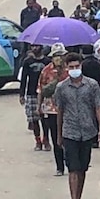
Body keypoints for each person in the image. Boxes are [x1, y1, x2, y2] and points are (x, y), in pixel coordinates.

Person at [54, 53, 100, 199]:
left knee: (83, 167)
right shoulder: (61, 88)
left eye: (77, 67)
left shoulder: (91, 85)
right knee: (72, 167)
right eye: (71, 67)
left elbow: (98, 106)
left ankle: (79, 198)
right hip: (70, 131)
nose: (74, 69)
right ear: (66, 68)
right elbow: (60, 111)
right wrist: (59, 135)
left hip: (87, 130)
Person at [38, 44, 69, 175]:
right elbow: (40, 89)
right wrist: (38, 107)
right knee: (56, 137)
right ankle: (59, 167)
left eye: (61, 55)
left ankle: (69, 161)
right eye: (56, 56)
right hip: (51, 110)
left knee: (68, 137)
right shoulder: (46, 71)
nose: (59, 58)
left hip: (68, 109)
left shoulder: (69, 70)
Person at [19, 44, 49, 151]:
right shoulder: (27, 62)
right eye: (32, 46)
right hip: (31, 94)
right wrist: (22, 94)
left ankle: (46, 139)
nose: (34, 48)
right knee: (34, 119)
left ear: (41, 47)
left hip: (45, 94)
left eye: (36, 46)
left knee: (45, 119)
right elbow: (23, 79)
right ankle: (38, 141)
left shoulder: (47, 61)